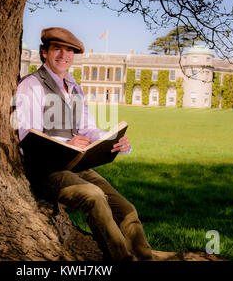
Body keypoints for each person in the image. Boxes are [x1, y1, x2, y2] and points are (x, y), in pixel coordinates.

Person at [15, 27, 152, 261]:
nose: (63, 55)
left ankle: (145, 257)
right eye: (57, 49)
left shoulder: (74, 87)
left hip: (75, 164)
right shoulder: (32, 85)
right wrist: (67, 141)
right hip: (45, 169)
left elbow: (88, 127)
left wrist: (114, 140)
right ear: (44, 53)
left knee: (125, 208)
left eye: (69, 51)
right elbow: (27, 133)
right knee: (94, 196)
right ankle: (121, 259)